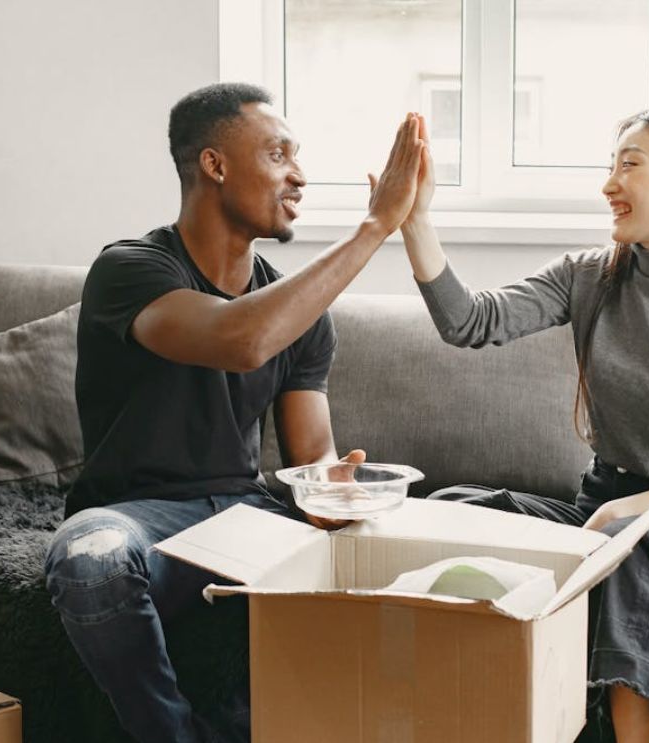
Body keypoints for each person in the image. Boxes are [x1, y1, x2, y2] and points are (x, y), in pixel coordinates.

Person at [43, 83, 424, 743]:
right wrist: (373, 228)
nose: (299, 176)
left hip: (247, 518)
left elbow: (311, 456)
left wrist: (333, 485)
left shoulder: (298, 309)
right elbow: (236, 340)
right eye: (279, 155)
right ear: (214, 165)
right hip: (141, 518)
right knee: (90, 559)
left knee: (394, 562)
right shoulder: (130, 270)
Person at [400, 108, 649, 742]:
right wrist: (415, 221)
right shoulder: (590, 276)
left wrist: (640, 509)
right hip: (601, 503)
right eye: (611, 166)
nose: (610, 184)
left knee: (635, 548)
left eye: (630, 165)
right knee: (453, 509)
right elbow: (468, 322)